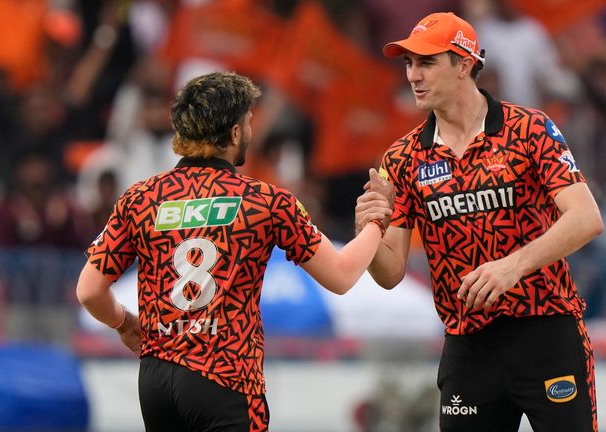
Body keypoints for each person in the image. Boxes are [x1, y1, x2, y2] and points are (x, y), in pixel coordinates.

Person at [76, 72, 392, 432]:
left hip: (156, 381)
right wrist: (377, 222)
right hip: (225, 376)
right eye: (249, 122)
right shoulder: (265, 202)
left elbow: (88, 291)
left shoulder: (140, 198)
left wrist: (124, 323)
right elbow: (342, 275)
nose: (252, 132)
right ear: (236, 132)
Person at [356, 12, 604, 431]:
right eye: (408, 64)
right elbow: (390, 273)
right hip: (468, 343)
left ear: (465, 64)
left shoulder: (529, 129)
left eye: (427, 63)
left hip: (545, 329)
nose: (413, 75)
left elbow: (586, 218)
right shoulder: (402, 157)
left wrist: (513, 267)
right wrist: (368, 230)